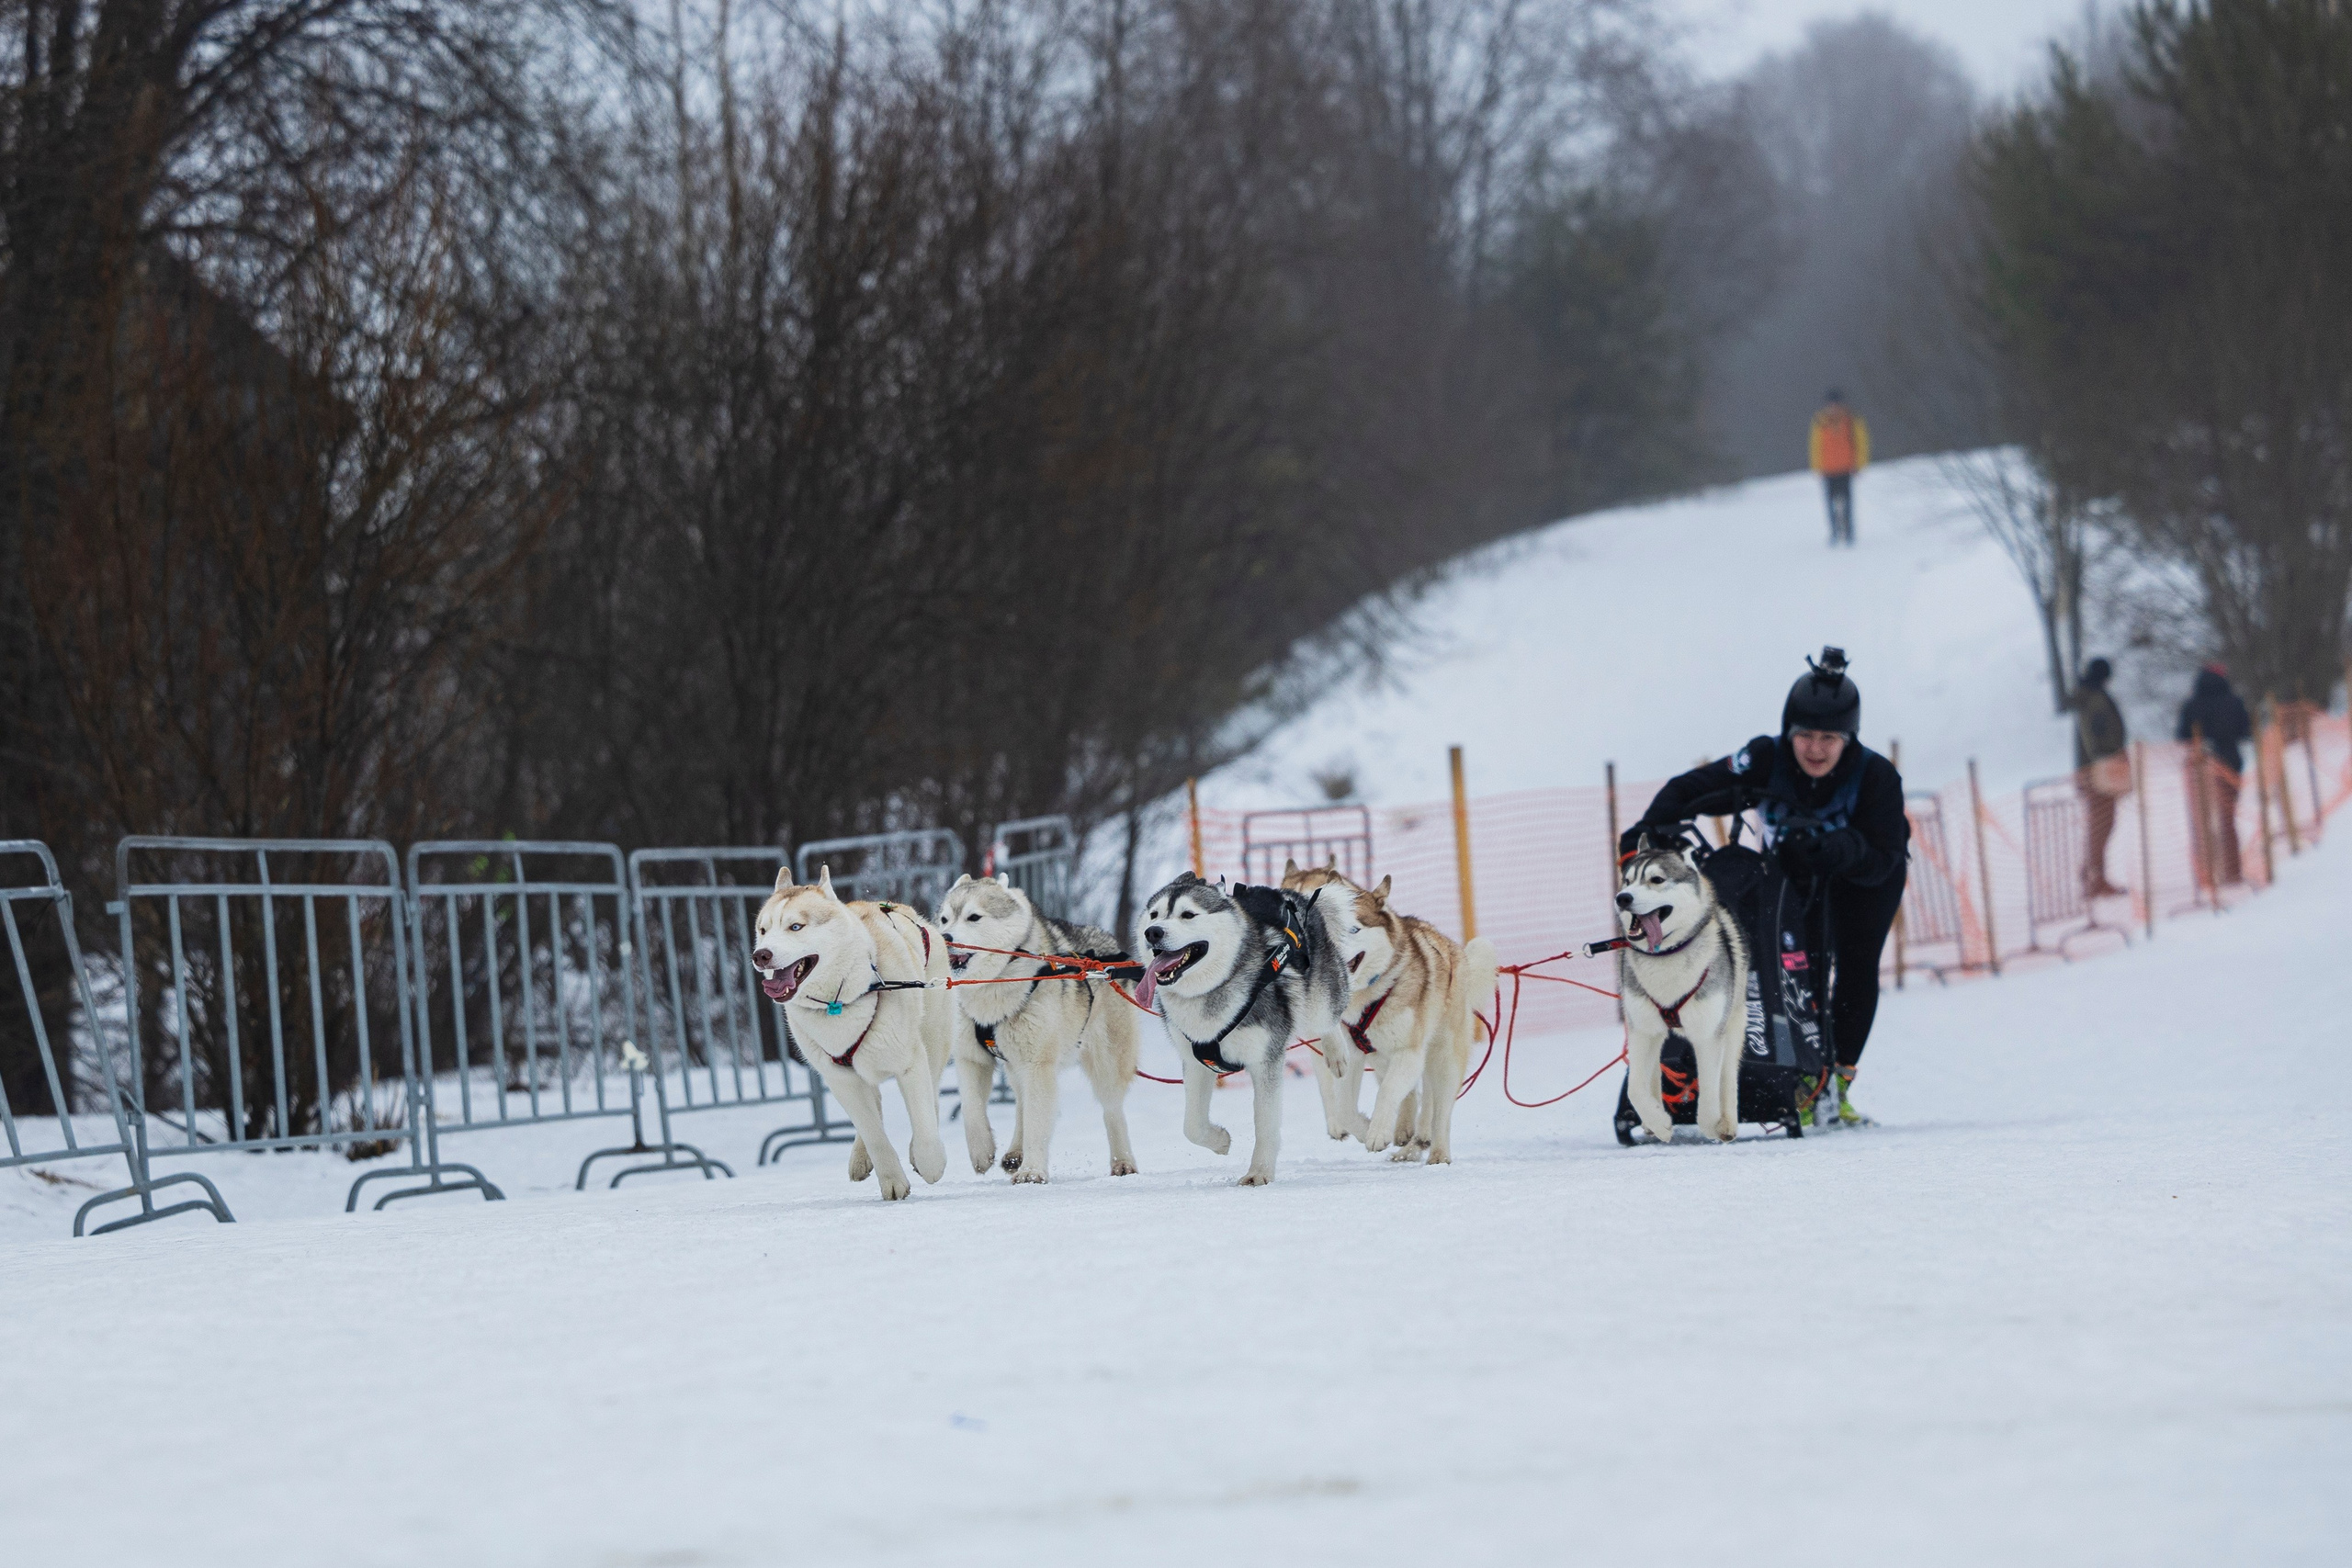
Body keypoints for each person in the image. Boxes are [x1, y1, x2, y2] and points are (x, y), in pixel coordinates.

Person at [1619, 648, 1909, 1126]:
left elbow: (1884, 856)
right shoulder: (1765, 757)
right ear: (1788, 733)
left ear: (1848, 739)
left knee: (1855, 966)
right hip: (1797, 871)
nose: (1816, 749)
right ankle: (1796, 1072)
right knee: (1800, 965)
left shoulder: (1875, 776)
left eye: (1830, 739)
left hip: (1866, 880)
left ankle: (1835, 1080)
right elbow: (1689, 789)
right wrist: (1649, 834)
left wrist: (1841, 849)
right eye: (1805, 737)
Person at [2177, 661, 2251, 886]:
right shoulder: (2234, 701)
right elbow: (2245, 731)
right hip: (2229, 764)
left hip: (2199, 766)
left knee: (2202, 821)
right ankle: (2232, 871)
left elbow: (2181, 736)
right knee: (2227, 819)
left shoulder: (2191, 704)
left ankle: (2207, 872)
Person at [2073, 658, 2129, 897]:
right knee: (2102, 825)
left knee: (2101, 824)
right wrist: (2113, 753)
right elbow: (2098, 737)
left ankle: (2093, 875)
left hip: (2091, 768)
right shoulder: (2096, 700)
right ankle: (2094, 878)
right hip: (2098, 769)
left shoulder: (2088, 698)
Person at [1808, 389, 1871, 547]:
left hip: (1846, 467)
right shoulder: (1820, 421)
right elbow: (1815, 445)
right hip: (1828, 469)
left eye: (1836, 404)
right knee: (1830, 503)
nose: (1833, 407)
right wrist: (1817, 466)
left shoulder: (1852, 419)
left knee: (1847, 502)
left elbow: (1861, 442)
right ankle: (1835, 532)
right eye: (1831, 404)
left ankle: (1849, 532)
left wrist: (1860, 463)